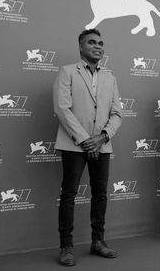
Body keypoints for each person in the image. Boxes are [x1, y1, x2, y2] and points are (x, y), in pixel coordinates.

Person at [53, 28, 122, 266]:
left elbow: (117, 113)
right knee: (69, 194)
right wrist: (85, 140)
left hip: (102, 145)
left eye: (101, 43)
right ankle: (66, 246)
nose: (98, 46)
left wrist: (101, 137)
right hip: (74, 144)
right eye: (92, 42)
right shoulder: (67, 72)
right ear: (81, 47)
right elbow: (62, 108)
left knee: (100, 194)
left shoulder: (110, 77)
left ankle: (98, 242)